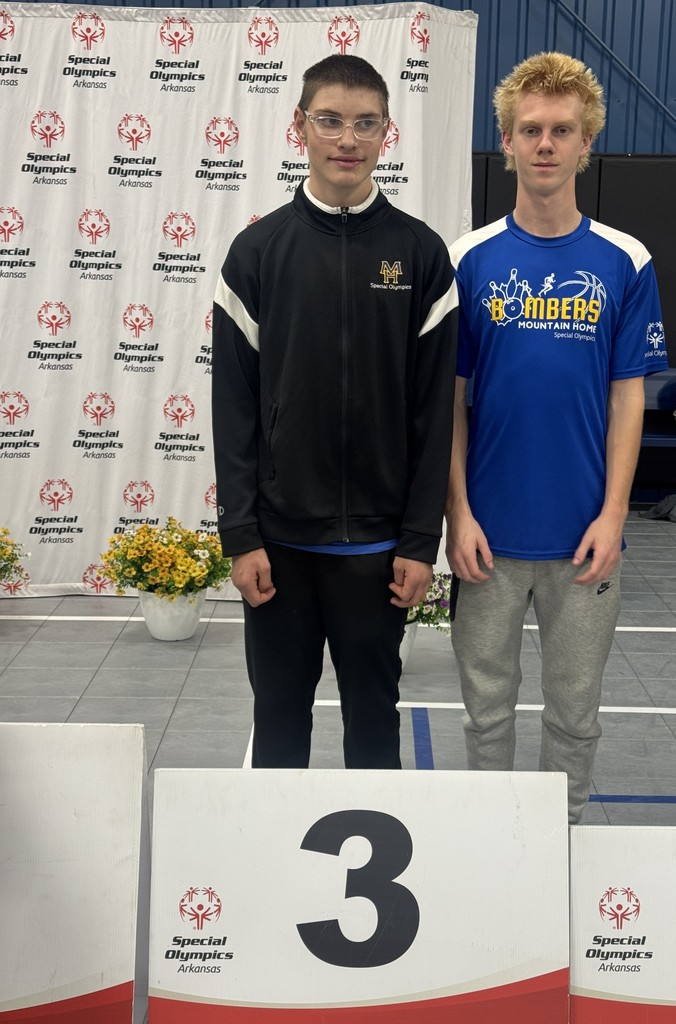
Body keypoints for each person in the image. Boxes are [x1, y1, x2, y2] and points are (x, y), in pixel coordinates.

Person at [211, 55, 458, 770]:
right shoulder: (256, 254)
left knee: (374, 733)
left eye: (364, 123)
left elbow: (432, 412)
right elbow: (234, 410)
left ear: (387, 133)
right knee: (279, 729)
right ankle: (277, 880)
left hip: (378, 554)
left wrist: (419, 542)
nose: (346, 139)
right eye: (329, 120)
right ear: (300, 128)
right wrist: (241, 535)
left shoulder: (420, 254)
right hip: (279, 551)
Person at [446, 52, 667, 823]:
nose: (545, 144)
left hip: (584, 543)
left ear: (586, 143)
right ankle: (489, 844)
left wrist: (614, 515)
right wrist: (458, 513)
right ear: (505, 141)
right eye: (530, 129)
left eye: (561, 131)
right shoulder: (467, 260)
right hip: (488, 540)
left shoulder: (625, 260)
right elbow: (451, 403)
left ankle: (560, 846)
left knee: (575, 717)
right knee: (486, 714)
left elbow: (629, 400)